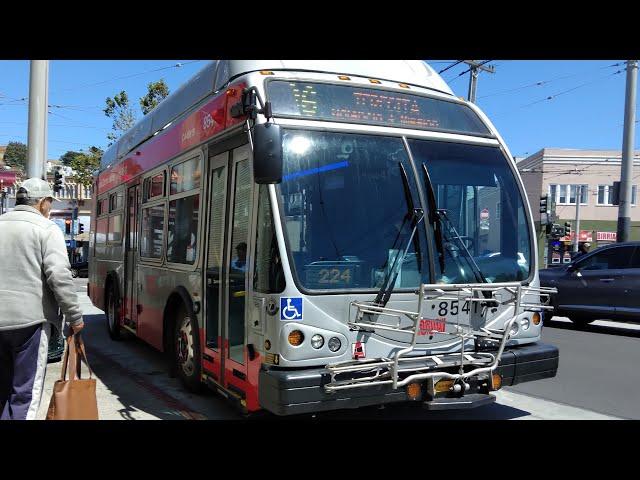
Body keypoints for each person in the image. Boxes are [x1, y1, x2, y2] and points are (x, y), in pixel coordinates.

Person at [0, 178, 84, 420]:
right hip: (30, 322)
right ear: (42, 203)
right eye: (49, 202)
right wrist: (75, 317)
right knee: (25, 393)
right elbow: (59, 276)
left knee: (3, 389)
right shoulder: (46, 229)